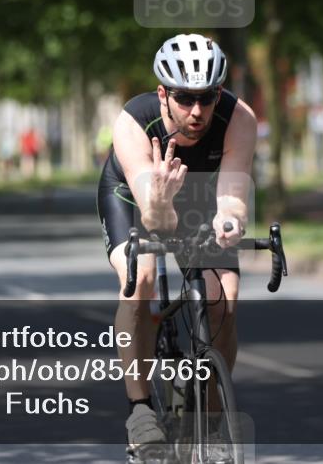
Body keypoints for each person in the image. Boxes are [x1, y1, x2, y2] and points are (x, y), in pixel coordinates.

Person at [97, 34, 257, 460]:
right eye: (185, 99)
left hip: (202, 197)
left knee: (225, 296)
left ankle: (210, 424)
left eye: (207, 98)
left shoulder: (239, 118)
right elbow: (156, 221)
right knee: (141, 277)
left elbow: (232, 191)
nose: (198, 111)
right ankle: (140, 411)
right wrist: (161, 198)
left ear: (219, 92)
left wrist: (230, 221)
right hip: (138, 197)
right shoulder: (133, 123)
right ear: (163, 94)